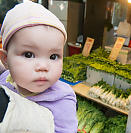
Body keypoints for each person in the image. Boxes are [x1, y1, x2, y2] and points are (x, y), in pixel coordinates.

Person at [0, 1, 78, 133]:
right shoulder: (4, 81)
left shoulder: (62, 99)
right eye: (29, 54)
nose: (43, 66)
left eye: (53, 56)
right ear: (5, 59)